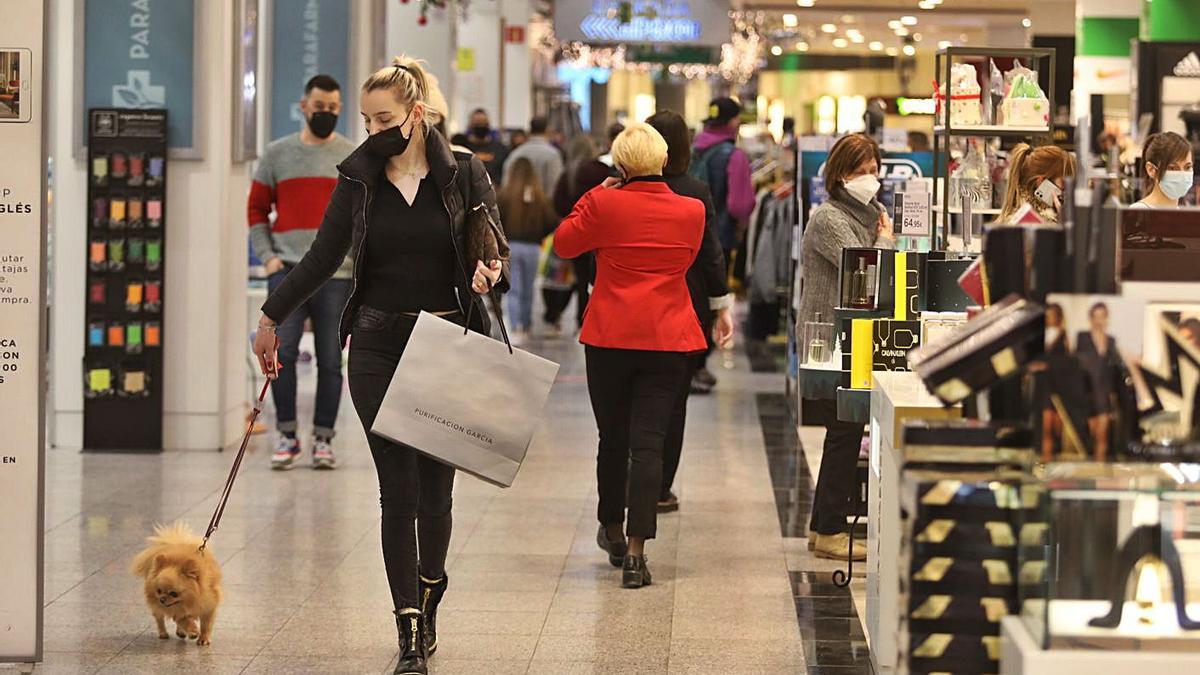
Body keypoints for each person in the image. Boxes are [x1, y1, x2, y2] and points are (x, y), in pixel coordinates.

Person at [252, 56, 506, 675]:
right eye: (366, 119)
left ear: (416, 115)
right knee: (398, 489)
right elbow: (318, 257)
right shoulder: (359, 178)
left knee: (437, 493)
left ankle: (430, 590)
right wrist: (268, 317)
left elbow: (492, 251)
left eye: (382, 118)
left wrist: (488, 271)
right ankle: (408, 630)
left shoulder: (465, 174)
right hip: (375, 344)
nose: (371, 130)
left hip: (446, 340)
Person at [554, 123, 710, 589]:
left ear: (619, 166)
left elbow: (564, 242)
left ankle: (612, 527)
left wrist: (593, 196)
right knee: (649, 443)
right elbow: (688, 261)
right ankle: (638, 554)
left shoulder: (604, 203)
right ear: (664, 161)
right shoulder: (693, 211)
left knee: (613, 438)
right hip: (668, 338)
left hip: (610, 336)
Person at [247, 74, 357, 471]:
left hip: (338, 276)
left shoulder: (350, 155)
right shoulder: (277, 155)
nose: (325, 113)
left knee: (331, 359)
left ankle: (324, 439)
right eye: (318, 107)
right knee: (283, 355)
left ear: (339, 109)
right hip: (288, 271)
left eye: (332, 108)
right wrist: (269, 257)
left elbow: (360, 217)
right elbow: (257, 210)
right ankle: (287, 435)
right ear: (303, 106)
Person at [799, 133, 895, 562]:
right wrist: (887, 242)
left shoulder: (871, 214)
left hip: (855, 336)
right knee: (844, 430)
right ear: (840, 174)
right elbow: (867, 277)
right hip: (830, 340)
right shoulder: (829, 218)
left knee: (845, 431)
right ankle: (831, 529)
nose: (872, 179)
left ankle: (823, 528)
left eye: (875, 170)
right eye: (862, 171)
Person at [646, 110, 735, 512]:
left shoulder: (624, 189)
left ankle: (635, 478)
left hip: (637, 310)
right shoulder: (695, 191)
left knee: (635, 400)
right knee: (674, 401)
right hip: (687, 305)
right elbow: (712, 255)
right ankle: (661, 486)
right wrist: (720, 305)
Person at [691, 97, 756, 390]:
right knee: (713, 298)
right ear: (733, 122)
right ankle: (699, 364)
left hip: (685, 234)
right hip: (718, 236)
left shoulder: (693, 150)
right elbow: (740, 204)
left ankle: (687, 360)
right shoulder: (734, 156)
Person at [547, 135, 611, 333]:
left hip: (574, 231)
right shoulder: (603, 172)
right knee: (595, 279)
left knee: (575, 277)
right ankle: (587, 319)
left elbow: (557, 204)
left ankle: (565, 316)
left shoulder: (568, 175)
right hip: (600, 234)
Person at [497, 157, 558, 342]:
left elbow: (495, 220)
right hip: (533, 248)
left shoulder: (504, 195)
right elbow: (552, 222)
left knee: (513, 289)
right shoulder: (541, 198)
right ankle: (526, 325)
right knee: (528, 289)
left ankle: (515, 329)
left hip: (510, 247)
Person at [1075, 302, 1121, 462]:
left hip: (1104, 393)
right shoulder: (1083, 337)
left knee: (1103, 436)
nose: (1099, 320)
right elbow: (1078, 364)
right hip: (1087, 393)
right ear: (1091, 318)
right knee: (1091, 437)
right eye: (1096, 316)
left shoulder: (1112, 341)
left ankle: (1099, 471)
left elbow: (1114, 368)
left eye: (1102, 316)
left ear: (1106, 318)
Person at [997, 143, 1077, 224]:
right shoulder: (1035, 226)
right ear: (1041, 183)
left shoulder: (1018, 219)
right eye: (1064, 183)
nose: (1068, 190)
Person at [503, 116, 564, 196]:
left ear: (530, 131)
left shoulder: (515, 153)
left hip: (516, 205)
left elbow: (506, 184)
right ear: (547, 131)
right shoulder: (553, 154)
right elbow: (555, 187)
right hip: (543, 206)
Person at [1131, 131, 1194, 208]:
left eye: (1187, 167)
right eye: (1173, 168)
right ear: (1151, 170)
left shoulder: (1183, 214)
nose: (1182, 174)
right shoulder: (1139, 211)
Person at [461, 108, 508, 184]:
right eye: (477, 124)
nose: (481, 126)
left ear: (488, 125)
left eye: (483, 123)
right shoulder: (462, 148)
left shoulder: (500, 149)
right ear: (470, 125)